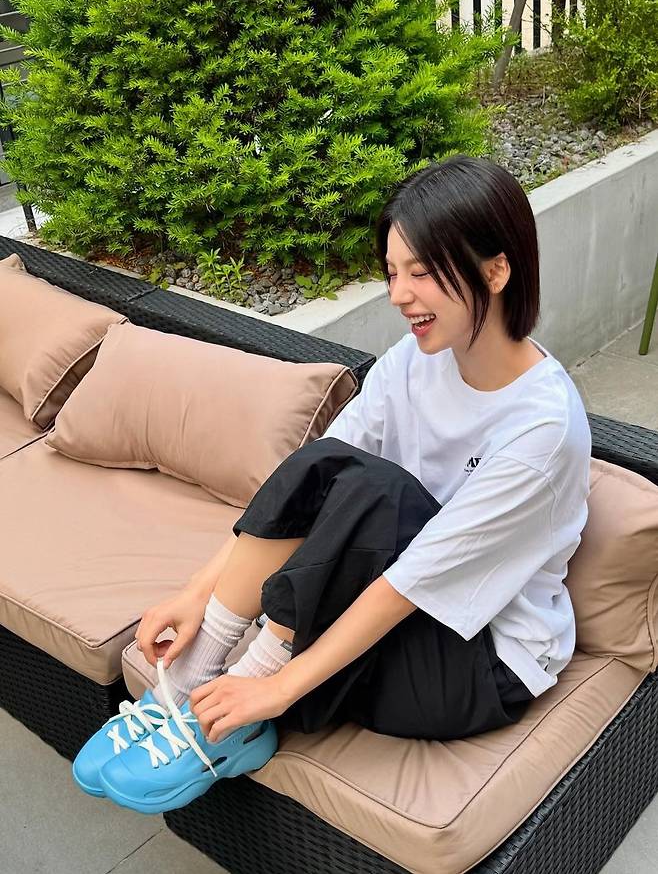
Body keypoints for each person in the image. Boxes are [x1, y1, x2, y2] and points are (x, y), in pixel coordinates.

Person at [72, 155, 592, 814]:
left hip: (478, 661)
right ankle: (187, 683)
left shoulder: (542, 428)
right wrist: (196, 596)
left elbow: (411, 582)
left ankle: (233, 719)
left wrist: (277, 688)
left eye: (422, 272)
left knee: (380, 492)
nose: (399, 294)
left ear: (495, 271)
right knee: (328, 462)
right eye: (392, 272)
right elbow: (312, 474)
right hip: (405, 601)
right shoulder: (414, 361)